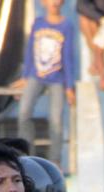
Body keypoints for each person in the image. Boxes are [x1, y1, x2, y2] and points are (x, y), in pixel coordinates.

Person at [14, 0, 76, 167]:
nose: (54, 2)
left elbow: (68, 57)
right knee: (24, 112)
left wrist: (69, 86)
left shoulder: (66, 26)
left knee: (56, 119)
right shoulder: (38, 23)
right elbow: (30, 51)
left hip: (57, 79)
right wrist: (25, 76)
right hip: (36, 75)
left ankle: (55, 160)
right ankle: (26, 156)